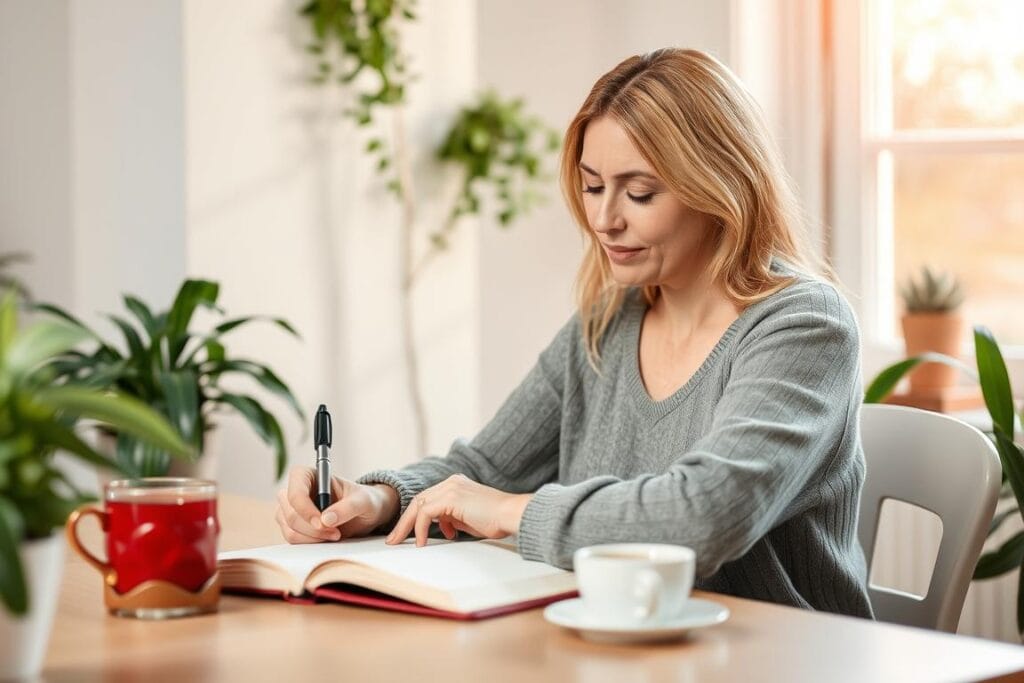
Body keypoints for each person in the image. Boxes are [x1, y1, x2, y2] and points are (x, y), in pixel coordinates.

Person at [275, 47, 874, 618]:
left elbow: (704, 515)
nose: (605, 219)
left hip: (781, 657)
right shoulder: (607, 321)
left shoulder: (803, 326)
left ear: (720, 187)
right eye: (592, 186)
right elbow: (483, 468)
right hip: (625, 649)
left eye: (640, 192)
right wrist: (377, 502)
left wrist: (510, 512)